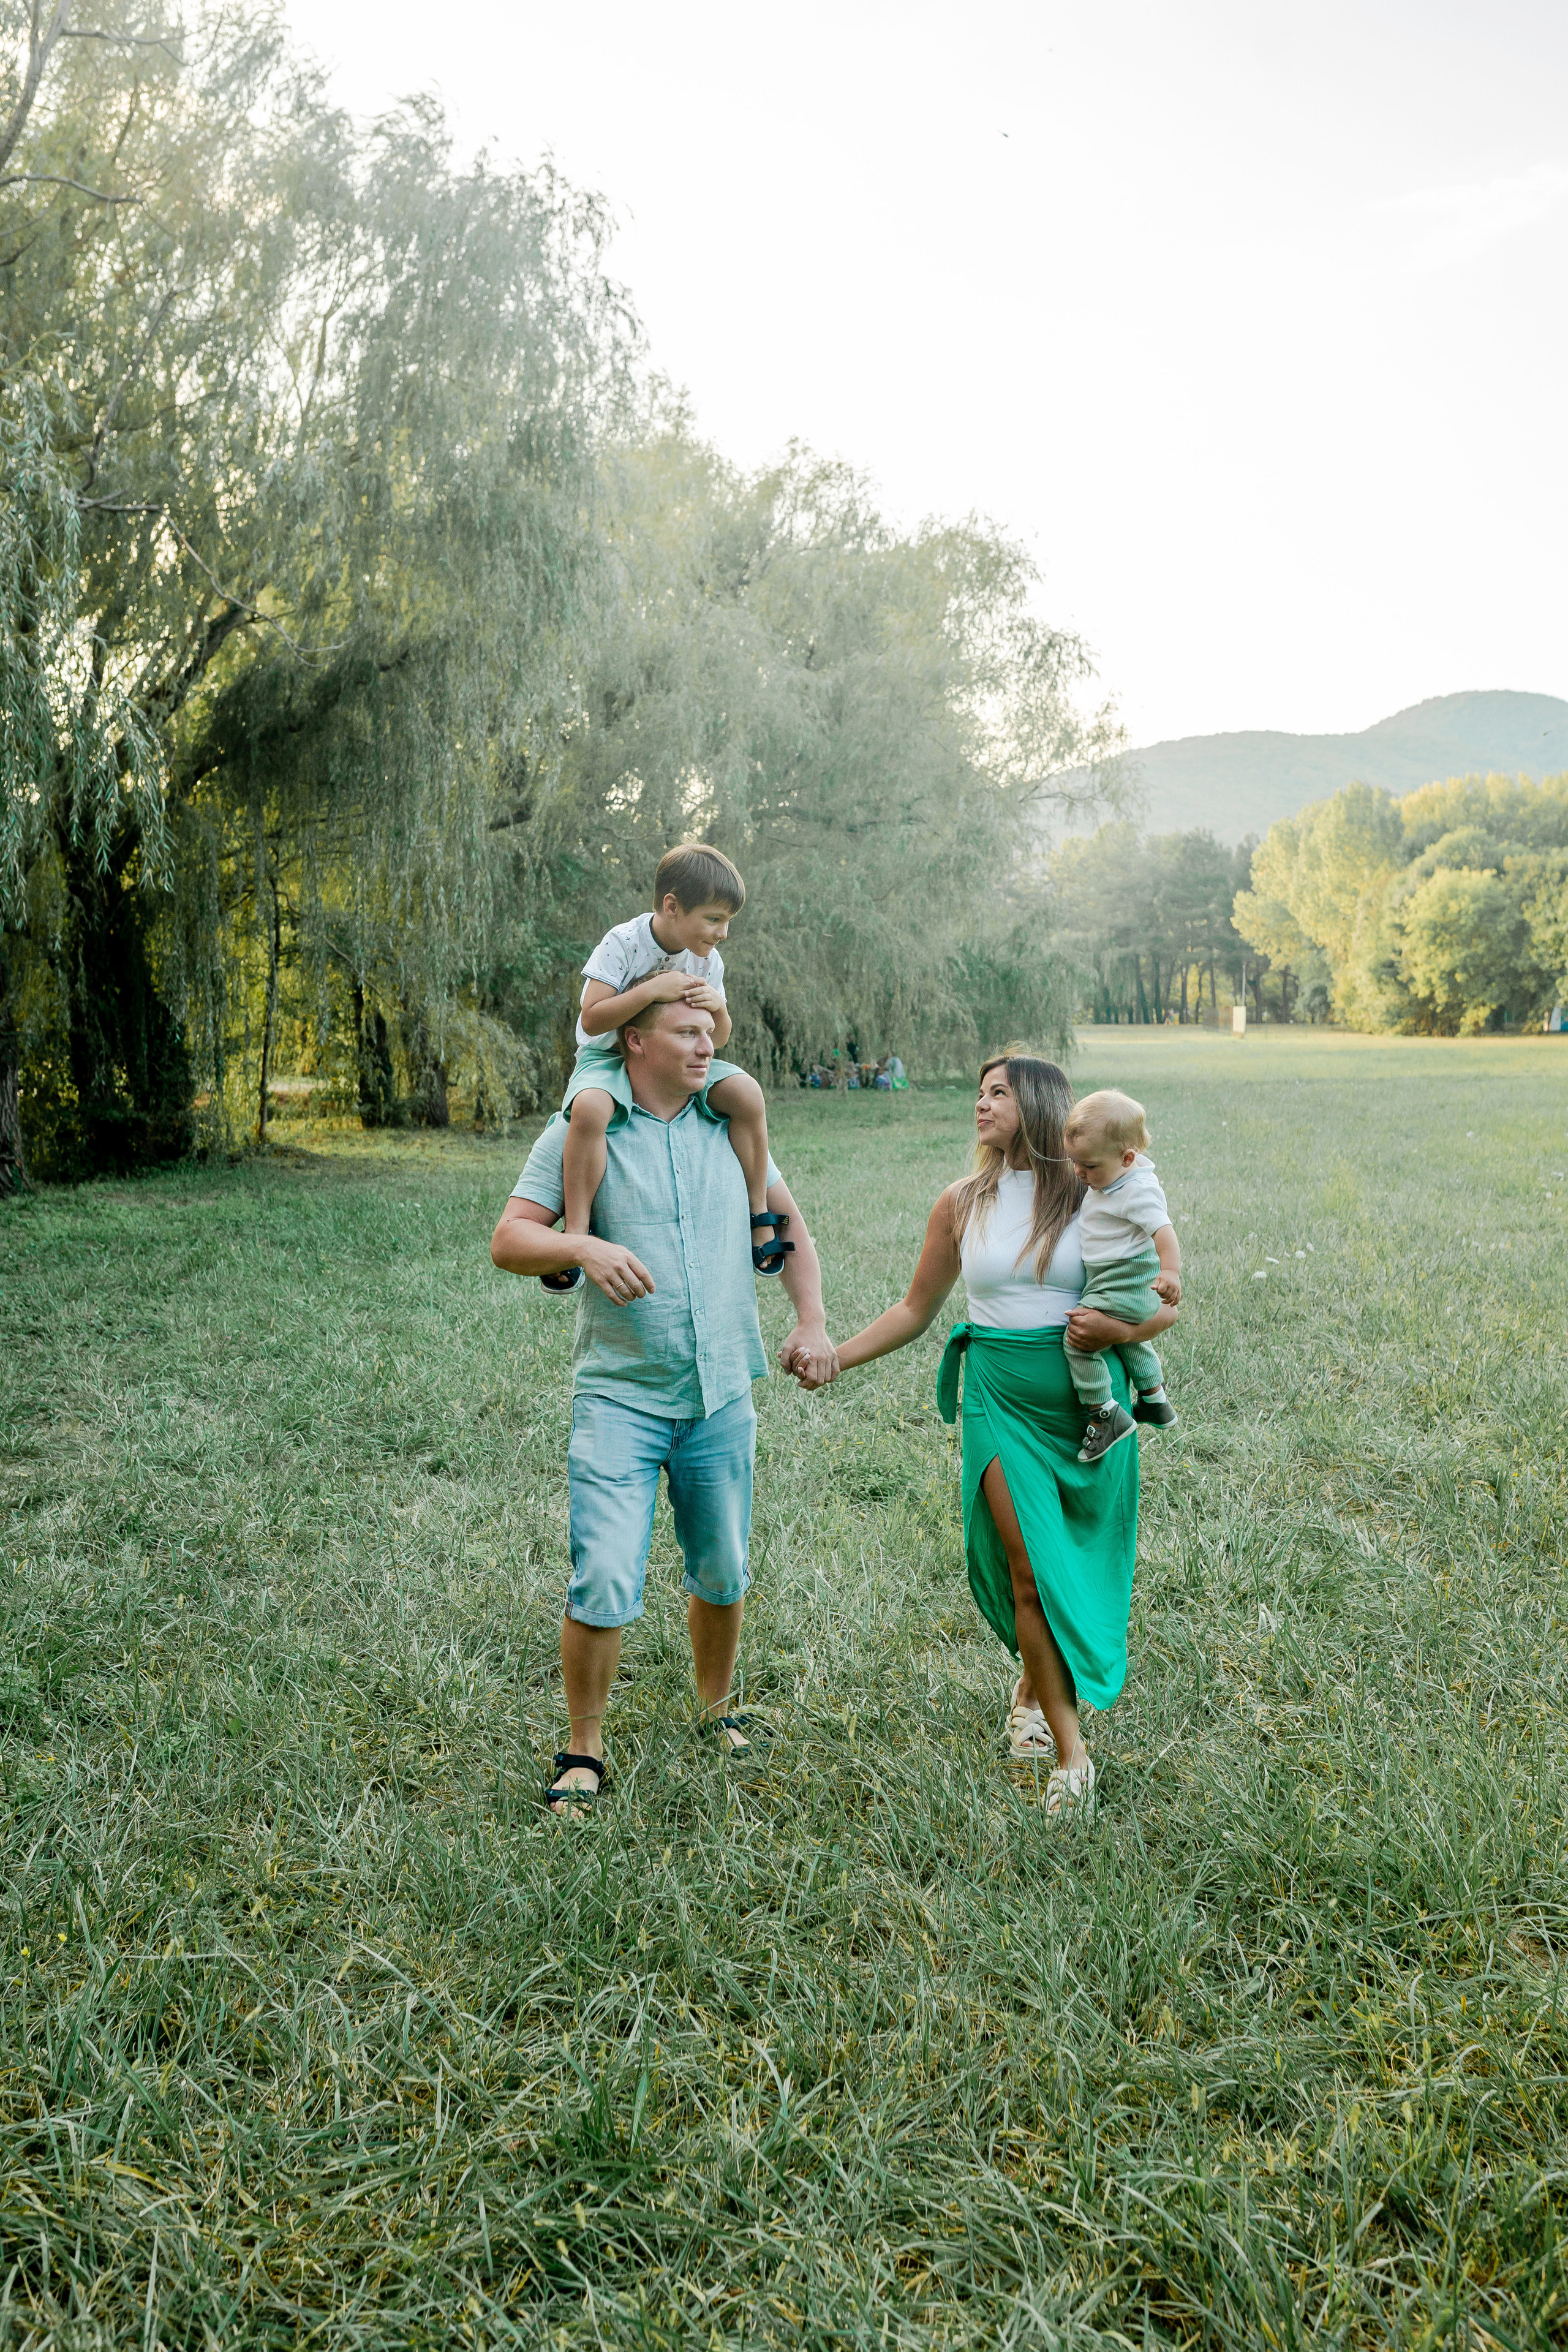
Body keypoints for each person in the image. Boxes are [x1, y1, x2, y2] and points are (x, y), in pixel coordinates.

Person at [490, 994, 836, 1817]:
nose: (706, 1045)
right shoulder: (583, 1127)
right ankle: (583, 1749)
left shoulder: (729, 1125)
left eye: (710, 1032)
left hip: (721, 1393)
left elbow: (787, 1223)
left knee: (721, 1566)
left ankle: (716, 1711)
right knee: (605, 1573)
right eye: (687, 1033)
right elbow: (510, 1239)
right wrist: (581, 1243)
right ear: (635, 1040)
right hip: (622, 1396)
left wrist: (812, 1318)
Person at [811, 1053, 1177, 1815]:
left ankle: (1031, 1692)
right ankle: (1072, 1757)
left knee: (1069, 1563)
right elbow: (914, 1309)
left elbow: (1163, 1306)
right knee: (1026, 1568)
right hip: (998, 1399)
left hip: (1089, 1408)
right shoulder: (961, 1201)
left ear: (1039, 1103)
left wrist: (1117, 1329)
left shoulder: (1094, 1191)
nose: (980, 1104)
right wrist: (836, 1357)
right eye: (979, 1093)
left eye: (998, 1093)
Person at [546, 843, 788, 1297]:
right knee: (592, 1107)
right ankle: (576, 1233)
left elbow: (718, 1038)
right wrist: (652, 991)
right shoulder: (623, 942)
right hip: (608, 1056)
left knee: (747, 1094)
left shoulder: (708, 960)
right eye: (714, 919)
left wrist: (719, 1008)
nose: (723, 933)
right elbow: (592, 1019)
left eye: (728, 921)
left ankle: (758, 1214)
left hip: (677, 1056)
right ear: (673, 906)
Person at [1060, 1088, 1182, 1464]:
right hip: (1123, 1280)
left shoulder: (1136, 1190)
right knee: (1130, 1342)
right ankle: (1154, 1399)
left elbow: (1164, 1231)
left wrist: (1171, 1271)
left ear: (1127, 1158)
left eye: (1089, 1166)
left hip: (1122, 1278)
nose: (1079, 1173)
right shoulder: (1113, 1178)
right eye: (1074, 1163)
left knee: (1078, 1339)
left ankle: (1105, 1412)